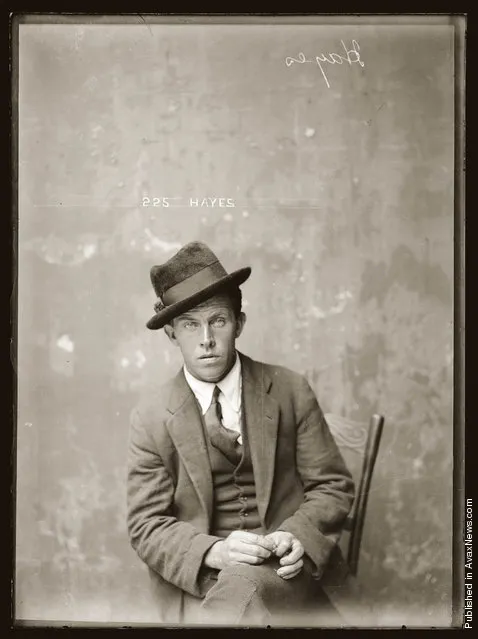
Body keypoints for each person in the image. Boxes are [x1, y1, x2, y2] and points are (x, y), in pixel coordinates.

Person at [126, 241, 355, 626]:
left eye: (218, 320)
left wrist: (296, 535)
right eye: (189, 325)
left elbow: (332, 486)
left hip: (286, 572)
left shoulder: (289, 390)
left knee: (242, 590)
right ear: (171, 334)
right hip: (202, 578)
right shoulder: (150, 416)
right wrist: (215, 551)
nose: (206, 339)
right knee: (234, 593)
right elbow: (145, 524)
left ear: (239, 324)